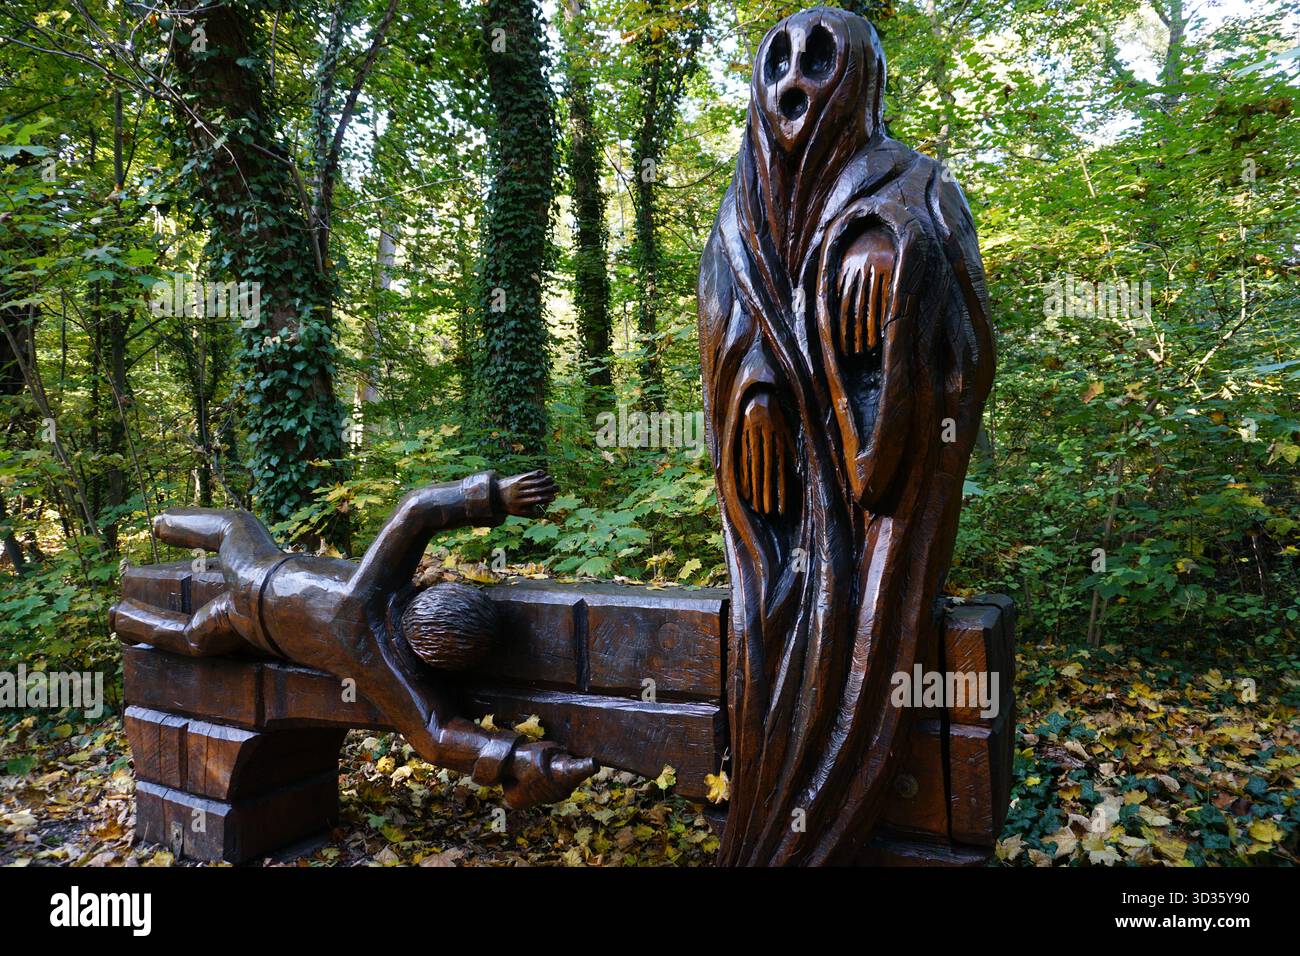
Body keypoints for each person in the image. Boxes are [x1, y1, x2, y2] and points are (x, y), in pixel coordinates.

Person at [110, 469, 594, 809]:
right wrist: (521, 760)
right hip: (247, 626)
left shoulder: (374, 585)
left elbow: (417, 509)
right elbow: (436, 738)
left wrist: (496, 495)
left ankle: (160, 524)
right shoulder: (378, 666)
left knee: (234, 523)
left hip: (256, 570)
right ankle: (124, 616)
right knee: (195, 639)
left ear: (434, 592)